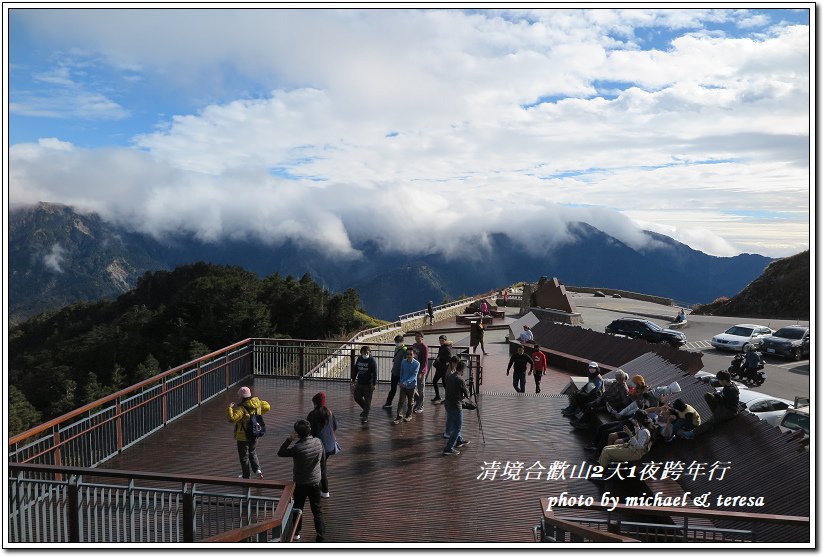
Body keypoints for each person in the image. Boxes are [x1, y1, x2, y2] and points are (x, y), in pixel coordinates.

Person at [277, 419, 326, 542]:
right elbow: (322, 461)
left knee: (298, 508)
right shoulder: (318, 442)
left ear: (298, 433)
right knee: (317, 509)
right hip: (315, 481)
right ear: (309, 430)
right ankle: (321, 534)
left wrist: (289, 439)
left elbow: (281, 452)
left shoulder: (297, 448)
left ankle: (296, 533)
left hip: (300, 482)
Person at [227, 386, 271, 479]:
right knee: (252, 452)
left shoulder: (242, 409)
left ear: (242, 397)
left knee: (244, 457)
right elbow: (267, 406)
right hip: (255, 433)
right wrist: (259, 412)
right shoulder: (258, 404)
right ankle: (258, 470)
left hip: (243, 436)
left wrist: (230, 408)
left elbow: (232, 419)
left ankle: (246, 476)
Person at [307, 392, 338, 498]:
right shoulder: (329, 412)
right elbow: (335, 426)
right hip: (330, 445)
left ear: (315, 403)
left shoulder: (312, 415)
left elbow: (310, 431)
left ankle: (324, 491)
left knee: (320, 468)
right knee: (322, 466)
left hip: (319, 446)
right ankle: (320, 488)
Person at [442, 360, 471, 456]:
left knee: (453, 424)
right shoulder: (460, 379)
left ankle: (459, 441)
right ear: (462, 370)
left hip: (448, 404)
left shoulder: (450, 376)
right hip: (456, 405)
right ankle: (449, 448)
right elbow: (467, 394)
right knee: (457, 427)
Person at [351, 345, 377, 423]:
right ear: (361, 353)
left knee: (368, 400)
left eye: (367, 352)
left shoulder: (372, 361)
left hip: (368, 384)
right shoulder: (359, 359)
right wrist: (353, 380)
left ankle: (365, 416)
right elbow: (355, 369)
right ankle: (366, 409)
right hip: (360, 382)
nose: (365, 354)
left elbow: (375, 373)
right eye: (364, 352)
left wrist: (374, 384)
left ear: (369, 353)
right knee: (356, 397)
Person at [394, 347, 419, 424]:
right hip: (403, 385)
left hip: (411, 385)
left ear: (414, 355)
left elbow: (414, 375)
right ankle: (399, 416)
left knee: (410, 401)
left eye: (410, 354)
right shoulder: (403, 362)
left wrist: (406, 382)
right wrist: (401, 382)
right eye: (407, 354)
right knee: (401, 401)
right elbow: (401, 372)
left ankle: (409, 415)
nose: (408, 355)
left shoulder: (417, 364)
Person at [382, 335, 407, 409]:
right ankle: (389, 402)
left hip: (401, 372)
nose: (396, 343)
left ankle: (412, 399)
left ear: (402, 342)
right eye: (396, 342)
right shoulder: (396, 348)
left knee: (404, 388)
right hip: (395, 371)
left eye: (398, 342)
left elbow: (405, 361)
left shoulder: (405, 350)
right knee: (393, 388)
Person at [431, 334, 454, 403]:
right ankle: (438, 396)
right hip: (440, 368)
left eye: (442, 340)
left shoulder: (446, 348)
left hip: (444, 369)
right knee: (435, 381)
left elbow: (449, 358)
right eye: (440, 340)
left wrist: (440, 359)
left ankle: (448, 398)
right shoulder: (442, 347)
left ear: (445, 340)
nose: (441, 342)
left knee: (444, 384)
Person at [411, 332, 429, 413]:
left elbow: (425, 361)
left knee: (421, 388)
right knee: (412, 387)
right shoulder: (414, 345)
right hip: (414, 369)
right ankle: (418, 401)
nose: (417, 337)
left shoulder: (424, 347)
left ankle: (421, 406)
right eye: (416, 336)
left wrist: (421, 372)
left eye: (419, 336)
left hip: (421, 371)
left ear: (422, 338)